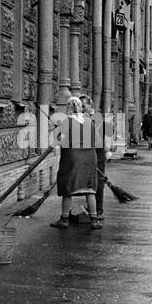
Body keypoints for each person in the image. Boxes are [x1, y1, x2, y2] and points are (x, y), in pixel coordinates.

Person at [50, 96, 102, 230]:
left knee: (68, 187)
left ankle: (64, 219)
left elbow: (58, 141)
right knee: (89, 188)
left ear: (69, 107)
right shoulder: (89, 121)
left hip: (72, 159)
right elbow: (97, 142)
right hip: (90, 159)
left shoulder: (67, 121)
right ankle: (94, 220)